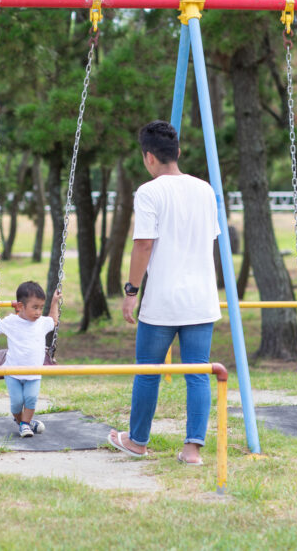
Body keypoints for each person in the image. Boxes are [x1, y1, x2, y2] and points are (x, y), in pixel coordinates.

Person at [108, 120, 220, 465]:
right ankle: (192, 451)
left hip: (162, 299)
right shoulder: (205, 189)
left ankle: (138, 441)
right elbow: (211, 240)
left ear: (148, 158)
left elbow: (143, 244)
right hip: (201, 297)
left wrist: (131, 290)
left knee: (148, 369)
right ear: (178, 153)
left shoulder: (149, 192)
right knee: (198, 371)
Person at [0, 281, 61, 438]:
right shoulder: (11, 322)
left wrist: (54, 302)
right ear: (20, 306)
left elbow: (53, 320)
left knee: (31, 399)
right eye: (35, 307)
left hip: (34, 373)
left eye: (41, 307)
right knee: (16, 403)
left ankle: (25, 425)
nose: (38, 312)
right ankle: (24, 423)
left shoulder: (41, 323)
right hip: (12, 372)